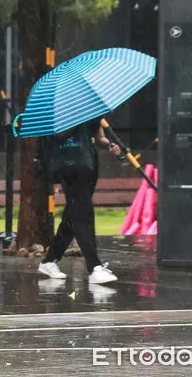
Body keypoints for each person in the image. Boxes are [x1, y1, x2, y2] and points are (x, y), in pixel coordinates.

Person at [38, 118, 121, 284]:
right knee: (83, 214)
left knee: (73, 215)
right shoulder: (62, 110)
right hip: (68, 164)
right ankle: (95, 267)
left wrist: (108, 145)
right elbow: (58, 134)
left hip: (87, 164)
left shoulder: (89, 108)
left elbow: (98, 137)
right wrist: (77, 119)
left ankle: (49, 260)